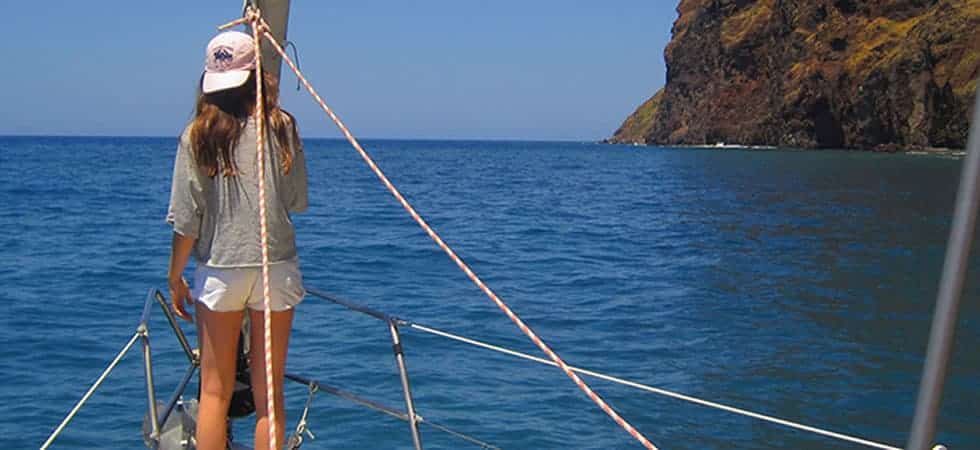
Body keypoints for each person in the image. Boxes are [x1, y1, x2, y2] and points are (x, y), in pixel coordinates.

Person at [166, 30, 308, 450]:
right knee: (269, 399)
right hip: (276, 268)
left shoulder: (195, 136)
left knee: (214, 392)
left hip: (220, 271)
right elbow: (296, 201)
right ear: (256, 77)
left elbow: (186, 222)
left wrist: (175, 279)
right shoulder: (282, 128)